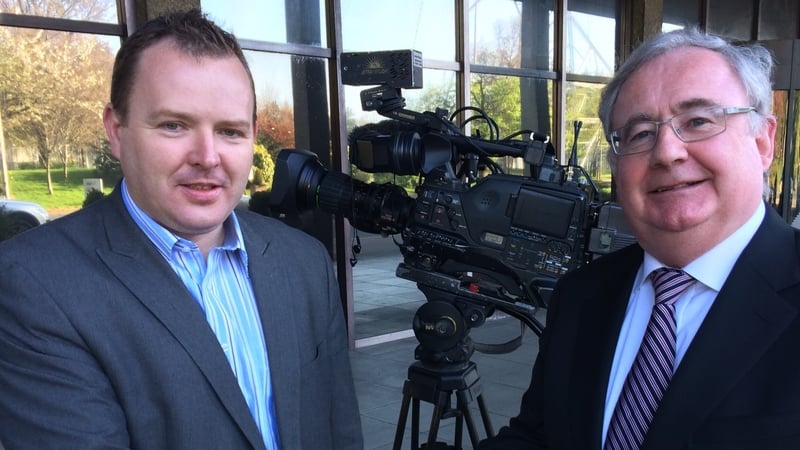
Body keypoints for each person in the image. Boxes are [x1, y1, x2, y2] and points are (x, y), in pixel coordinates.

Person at [0, 9, 363, 450]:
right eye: (174, 125)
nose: (207, 156)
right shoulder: (35, 285)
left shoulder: (304, 261)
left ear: (252, 136)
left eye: (229, 131)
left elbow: (338, 430)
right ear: (117, 131)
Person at [479, 27, 800, 450]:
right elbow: (538, 437)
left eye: (699, 121)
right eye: (640, 134)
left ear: (762, 142)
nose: (667, 152)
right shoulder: (580, 294)